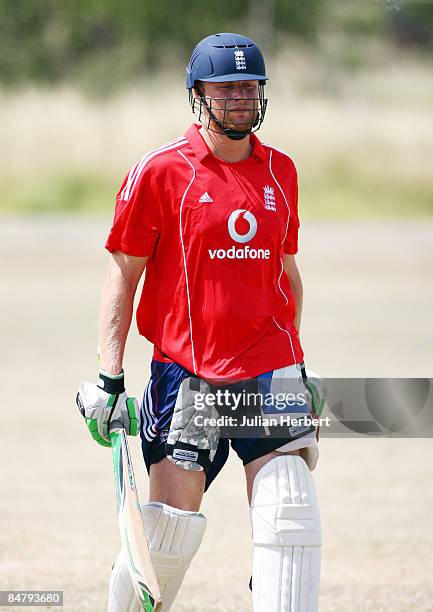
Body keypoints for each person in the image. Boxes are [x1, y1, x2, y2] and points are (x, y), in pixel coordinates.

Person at [77, 32, 321, 612]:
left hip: (269, 366)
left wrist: (299, 366)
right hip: (189, 374)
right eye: (226, 87)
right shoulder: (161, 172)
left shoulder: (280, 172)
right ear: (198, 94)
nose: (240, 97)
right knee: (168, 531)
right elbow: (123, 275)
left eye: (250, 86)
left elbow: (287, 274)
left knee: (291, 510)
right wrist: (110, 379)